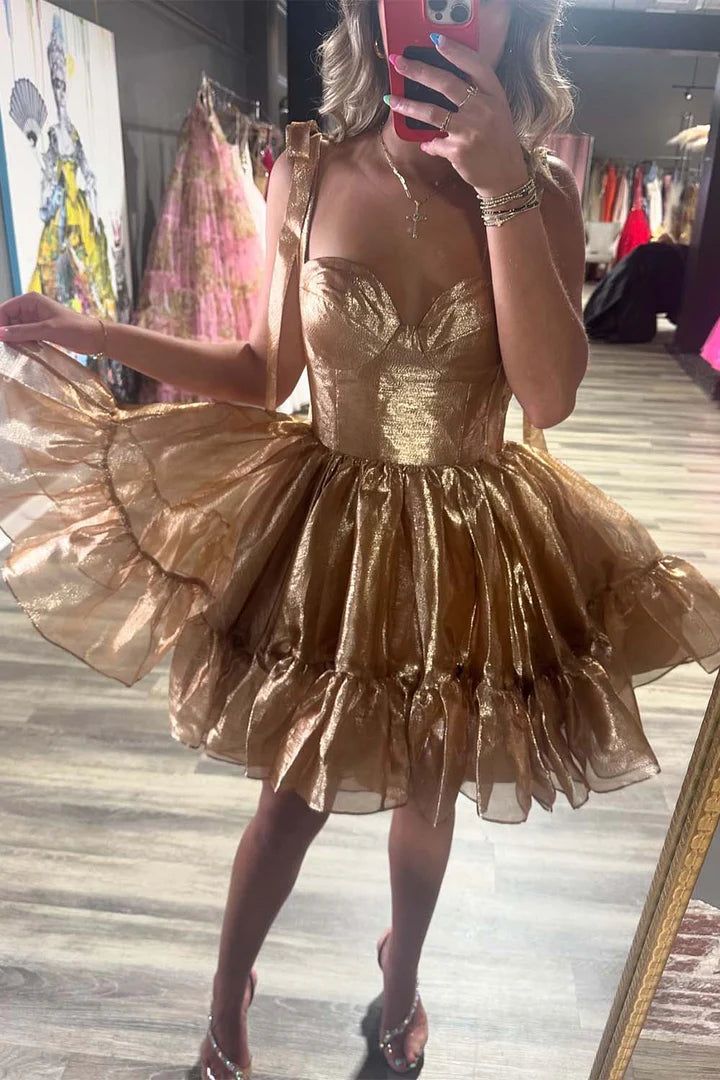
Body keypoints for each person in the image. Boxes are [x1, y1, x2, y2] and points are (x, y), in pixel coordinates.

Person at [1, 1, 720, 1077]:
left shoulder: (545, 194)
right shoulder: (309, 169)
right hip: (331, 535)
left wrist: (503, 185)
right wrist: (86, 330)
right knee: (289, 796)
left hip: (469, 540)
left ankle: (402, 979)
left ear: (516, 20)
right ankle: (226, 997)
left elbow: (548, 397)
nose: (442, 13)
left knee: (432, 790)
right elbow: (263, 373)